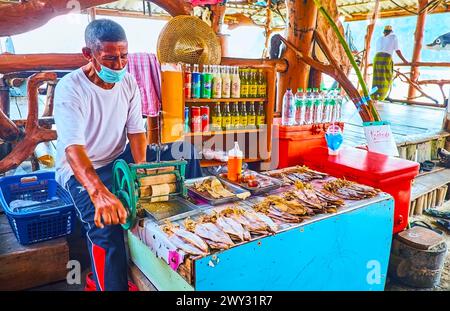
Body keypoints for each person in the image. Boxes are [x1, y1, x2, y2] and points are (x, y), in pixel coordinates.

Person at [54, 19, 201, 291]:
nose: (119, 65)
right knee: (106, 231)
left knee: (186, 153)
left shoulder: (129, 82)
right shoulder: (70, 88)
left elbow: (136, 132)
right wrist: (98, 193)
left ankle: (188, 241)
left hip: (118, 158)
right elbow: (73, 150)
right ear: (89, 54)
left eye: (124, 56)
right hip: (81, 170)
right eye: (110, 59)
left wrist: (143, 171)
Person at [372, 25, 409, 101]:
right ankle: (381, 97)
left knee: (376, 79)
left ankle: (374, 97)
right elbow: (397, 50)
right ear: (391, 31)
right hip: (385, 58)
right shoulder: (394, 37)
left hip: (376, 58)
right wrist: (404, 60)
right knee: (386, 78)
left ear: (384, 32)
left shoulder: (379, 38)